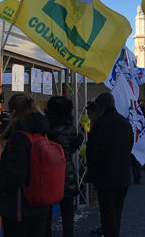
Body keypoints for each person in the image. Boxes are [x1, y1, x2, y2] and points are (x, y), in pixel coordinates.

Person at [0, 94, 50, 236]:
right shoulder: (42, 134)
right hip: (40, 200)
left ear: (15, 113)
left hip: (20, 205)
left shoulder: (19, 138)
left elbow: (16, 175)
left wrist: (0, 185)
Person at [86, 93, 134, 237]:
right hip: (123, 174)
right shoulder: (125, 122)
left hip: (105, 176)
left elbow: (92, 150)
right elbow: (130, 145)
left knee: (107, 212)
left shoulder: (101, 124)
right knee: (117, 210)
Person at [44, 96, 84, 237]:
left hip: (46, 173)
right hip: (65, 173)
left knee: (45, 214)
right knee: (67, 214)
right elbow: (70, 150)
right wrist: (79, 140)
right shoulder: (70, 129)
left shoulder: (43, 128)